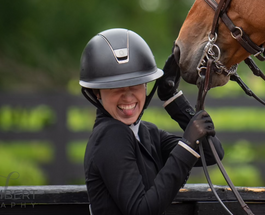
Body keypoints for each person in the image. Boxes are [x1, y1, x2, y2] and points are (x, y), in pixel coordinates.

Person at [80, 28, 223, 215]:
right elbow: (141, 210)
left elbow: (212, 153)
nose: (128, 96)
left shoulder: (147, 133)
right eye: (115, 88)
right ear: (96, 93)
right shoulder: (110, 135)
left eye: (136, 84)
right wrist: (187, 144)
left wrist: (173, 100)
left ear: (146, 85)